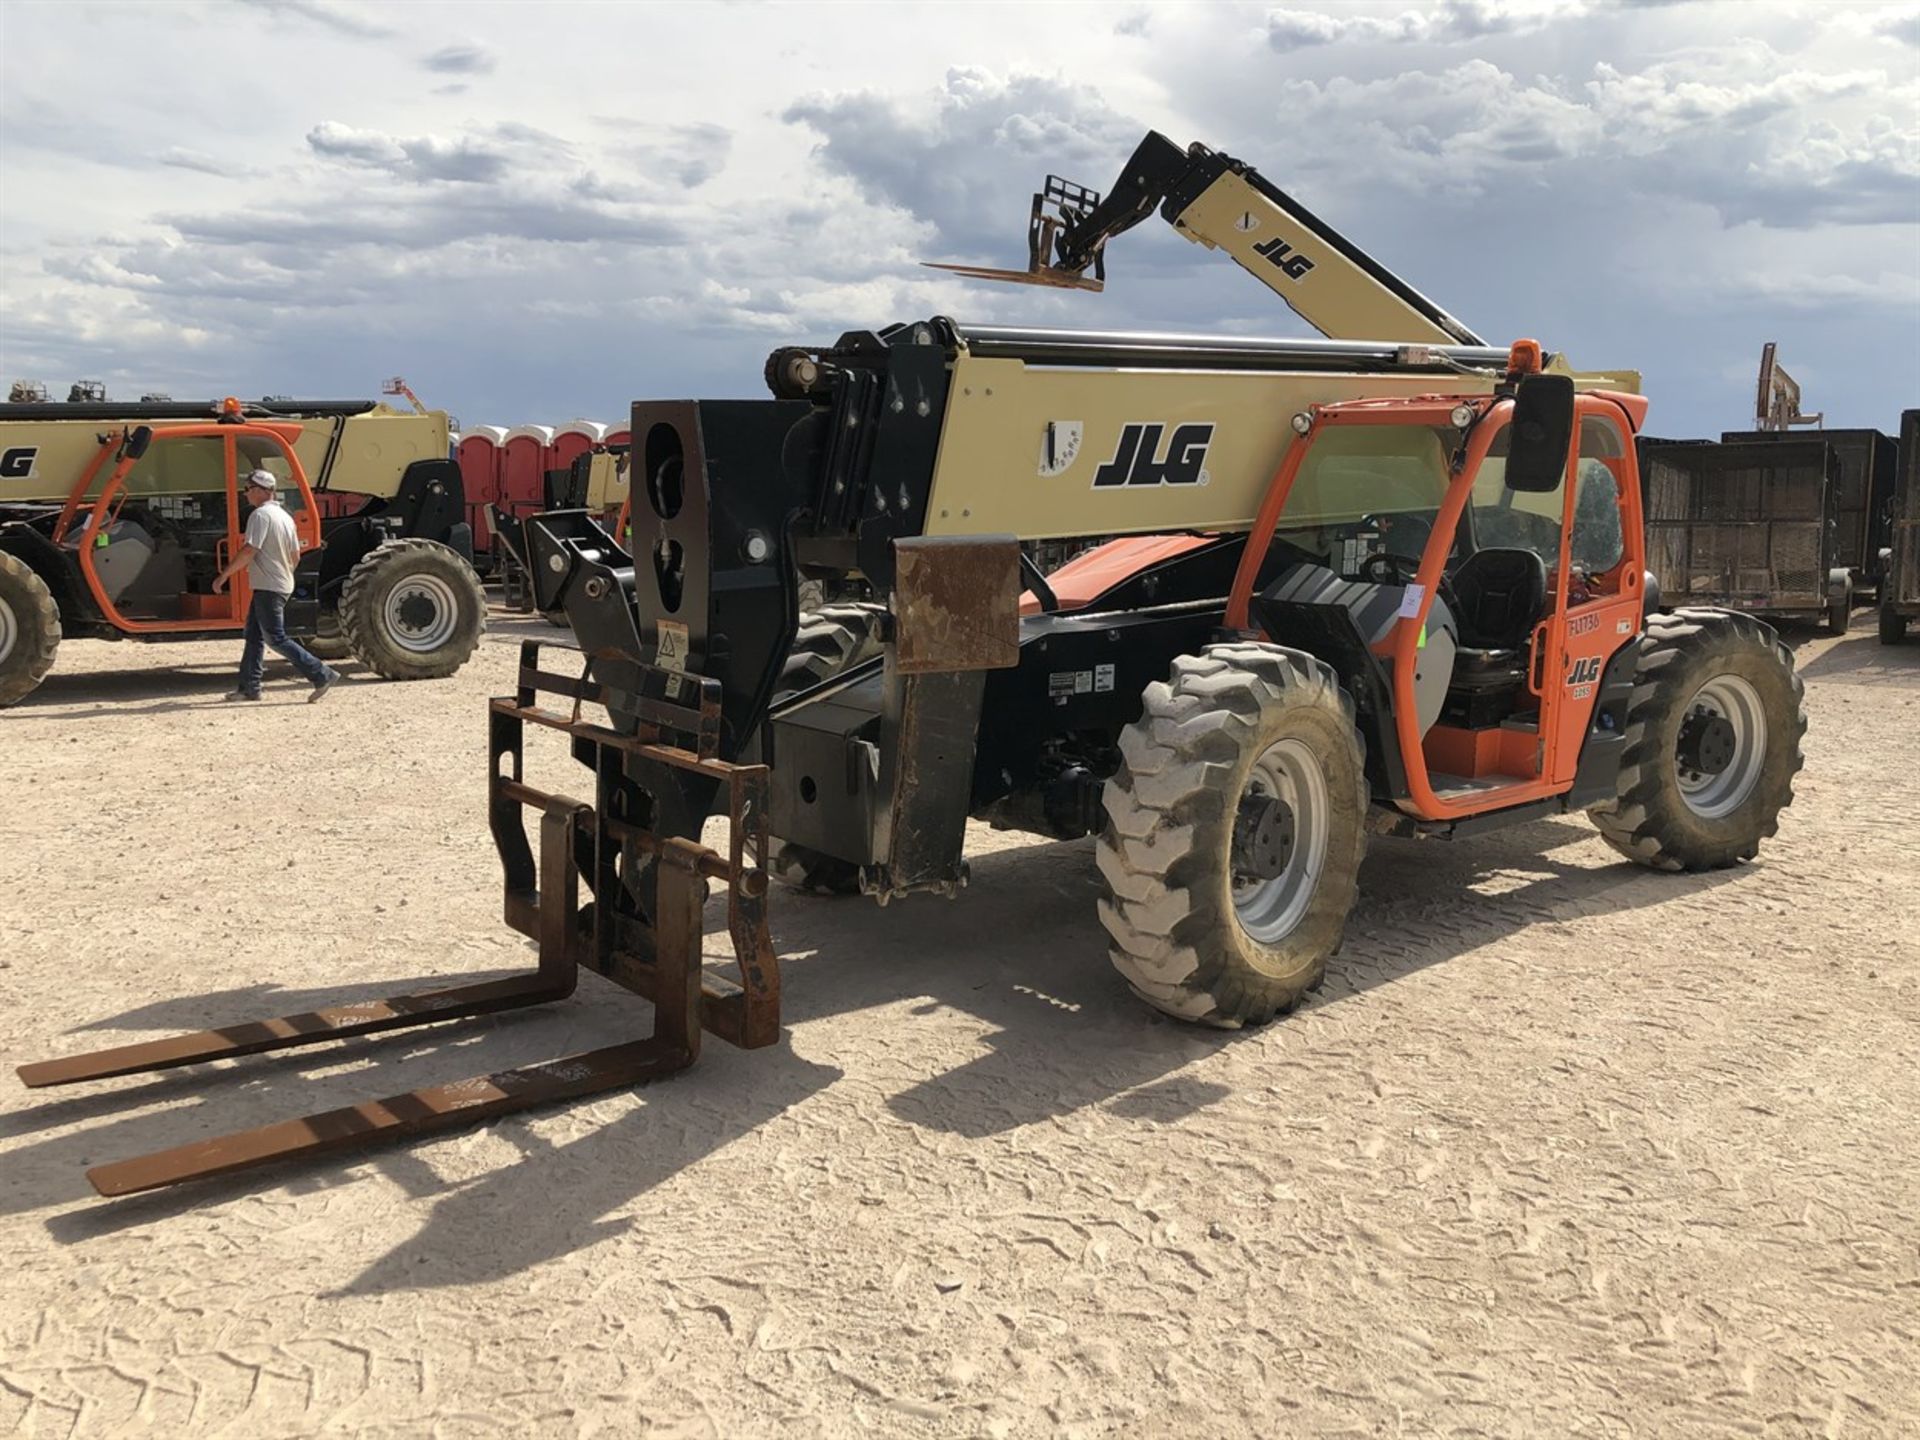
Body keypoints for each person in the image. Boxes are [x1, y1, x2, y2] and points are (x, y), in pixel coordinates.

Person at [212, 469, 340, 702]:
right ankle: (249, 687)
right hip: (278, 583)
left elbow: (250, 549)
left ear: (261, 491)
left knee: (275, 637)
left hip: (269, 586)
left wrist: (224, 576)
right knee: (254, 635)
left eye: (248, 489)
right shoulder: (285, 517)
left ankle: (321, 674)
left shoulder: (260, 516)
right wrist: (283, 572)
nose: (245, 494)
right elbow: (295, 556)